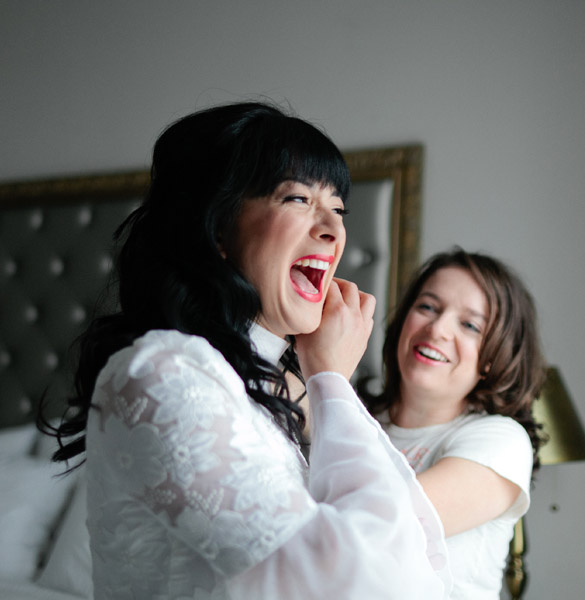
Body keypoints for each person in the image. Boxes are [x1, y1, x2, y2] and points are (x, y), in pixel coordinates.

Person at [41, 102, 450, 600]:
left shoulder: (268, 393)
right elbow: (365, 583)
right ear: (217, 226)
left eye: (339, 209)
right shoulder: (161, 373)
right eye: (298, 198)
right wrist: (331, 382)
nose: (333, 229)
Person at [361, 248, 546, 600]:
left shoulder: (502, 441)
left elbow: (372, 530)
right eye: (427, 307)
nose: (437, 329)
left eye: (470, 325)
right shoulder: (354, 418)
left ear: (495, 357)